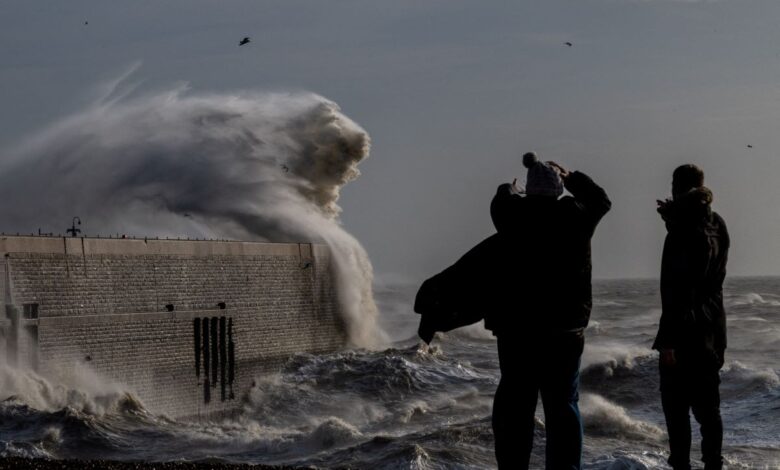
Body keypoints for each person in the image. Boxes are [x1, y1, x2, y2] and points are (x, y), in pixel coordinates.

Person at [487, 152, 611, 470]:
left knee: (515, 409)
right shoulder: (577, 217)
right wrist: (571, 177)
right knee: (563, 409)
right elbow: (601, 200)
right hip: (565, 332)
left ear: (529, 190)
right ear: (559, 190)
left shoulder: (511, 215)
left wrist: (512, 188)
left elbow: (502, 197)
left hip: (517, 332)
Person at [653, 164, 729, 470]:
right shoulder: (716, 223)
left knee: (676, 410)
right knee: (709, 411)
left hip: (685, 332)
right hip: (712, 330)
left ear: (677, 187)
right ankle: (714, 464)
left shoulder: (687, 231)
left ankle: (682, 466)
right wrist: (674, 221)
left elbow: (680, 288)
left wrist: (669, 340)